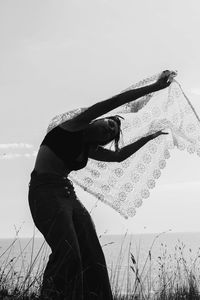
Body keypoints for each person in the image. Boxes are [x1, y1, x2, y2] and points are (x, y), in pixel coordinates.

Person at [28, 70, 174, 300]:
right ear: (99, 119)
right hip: (44, 192)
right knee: (68, 253)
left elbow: (118, 156)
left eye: (111, 134)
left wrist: (147, 138)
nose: (109, 130)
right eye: (109, 124)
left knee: (92, 255)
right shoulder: (75, 124)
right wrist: (155, 88)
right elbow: (117, 101)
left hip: (68, 195)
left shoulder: (89, 148)